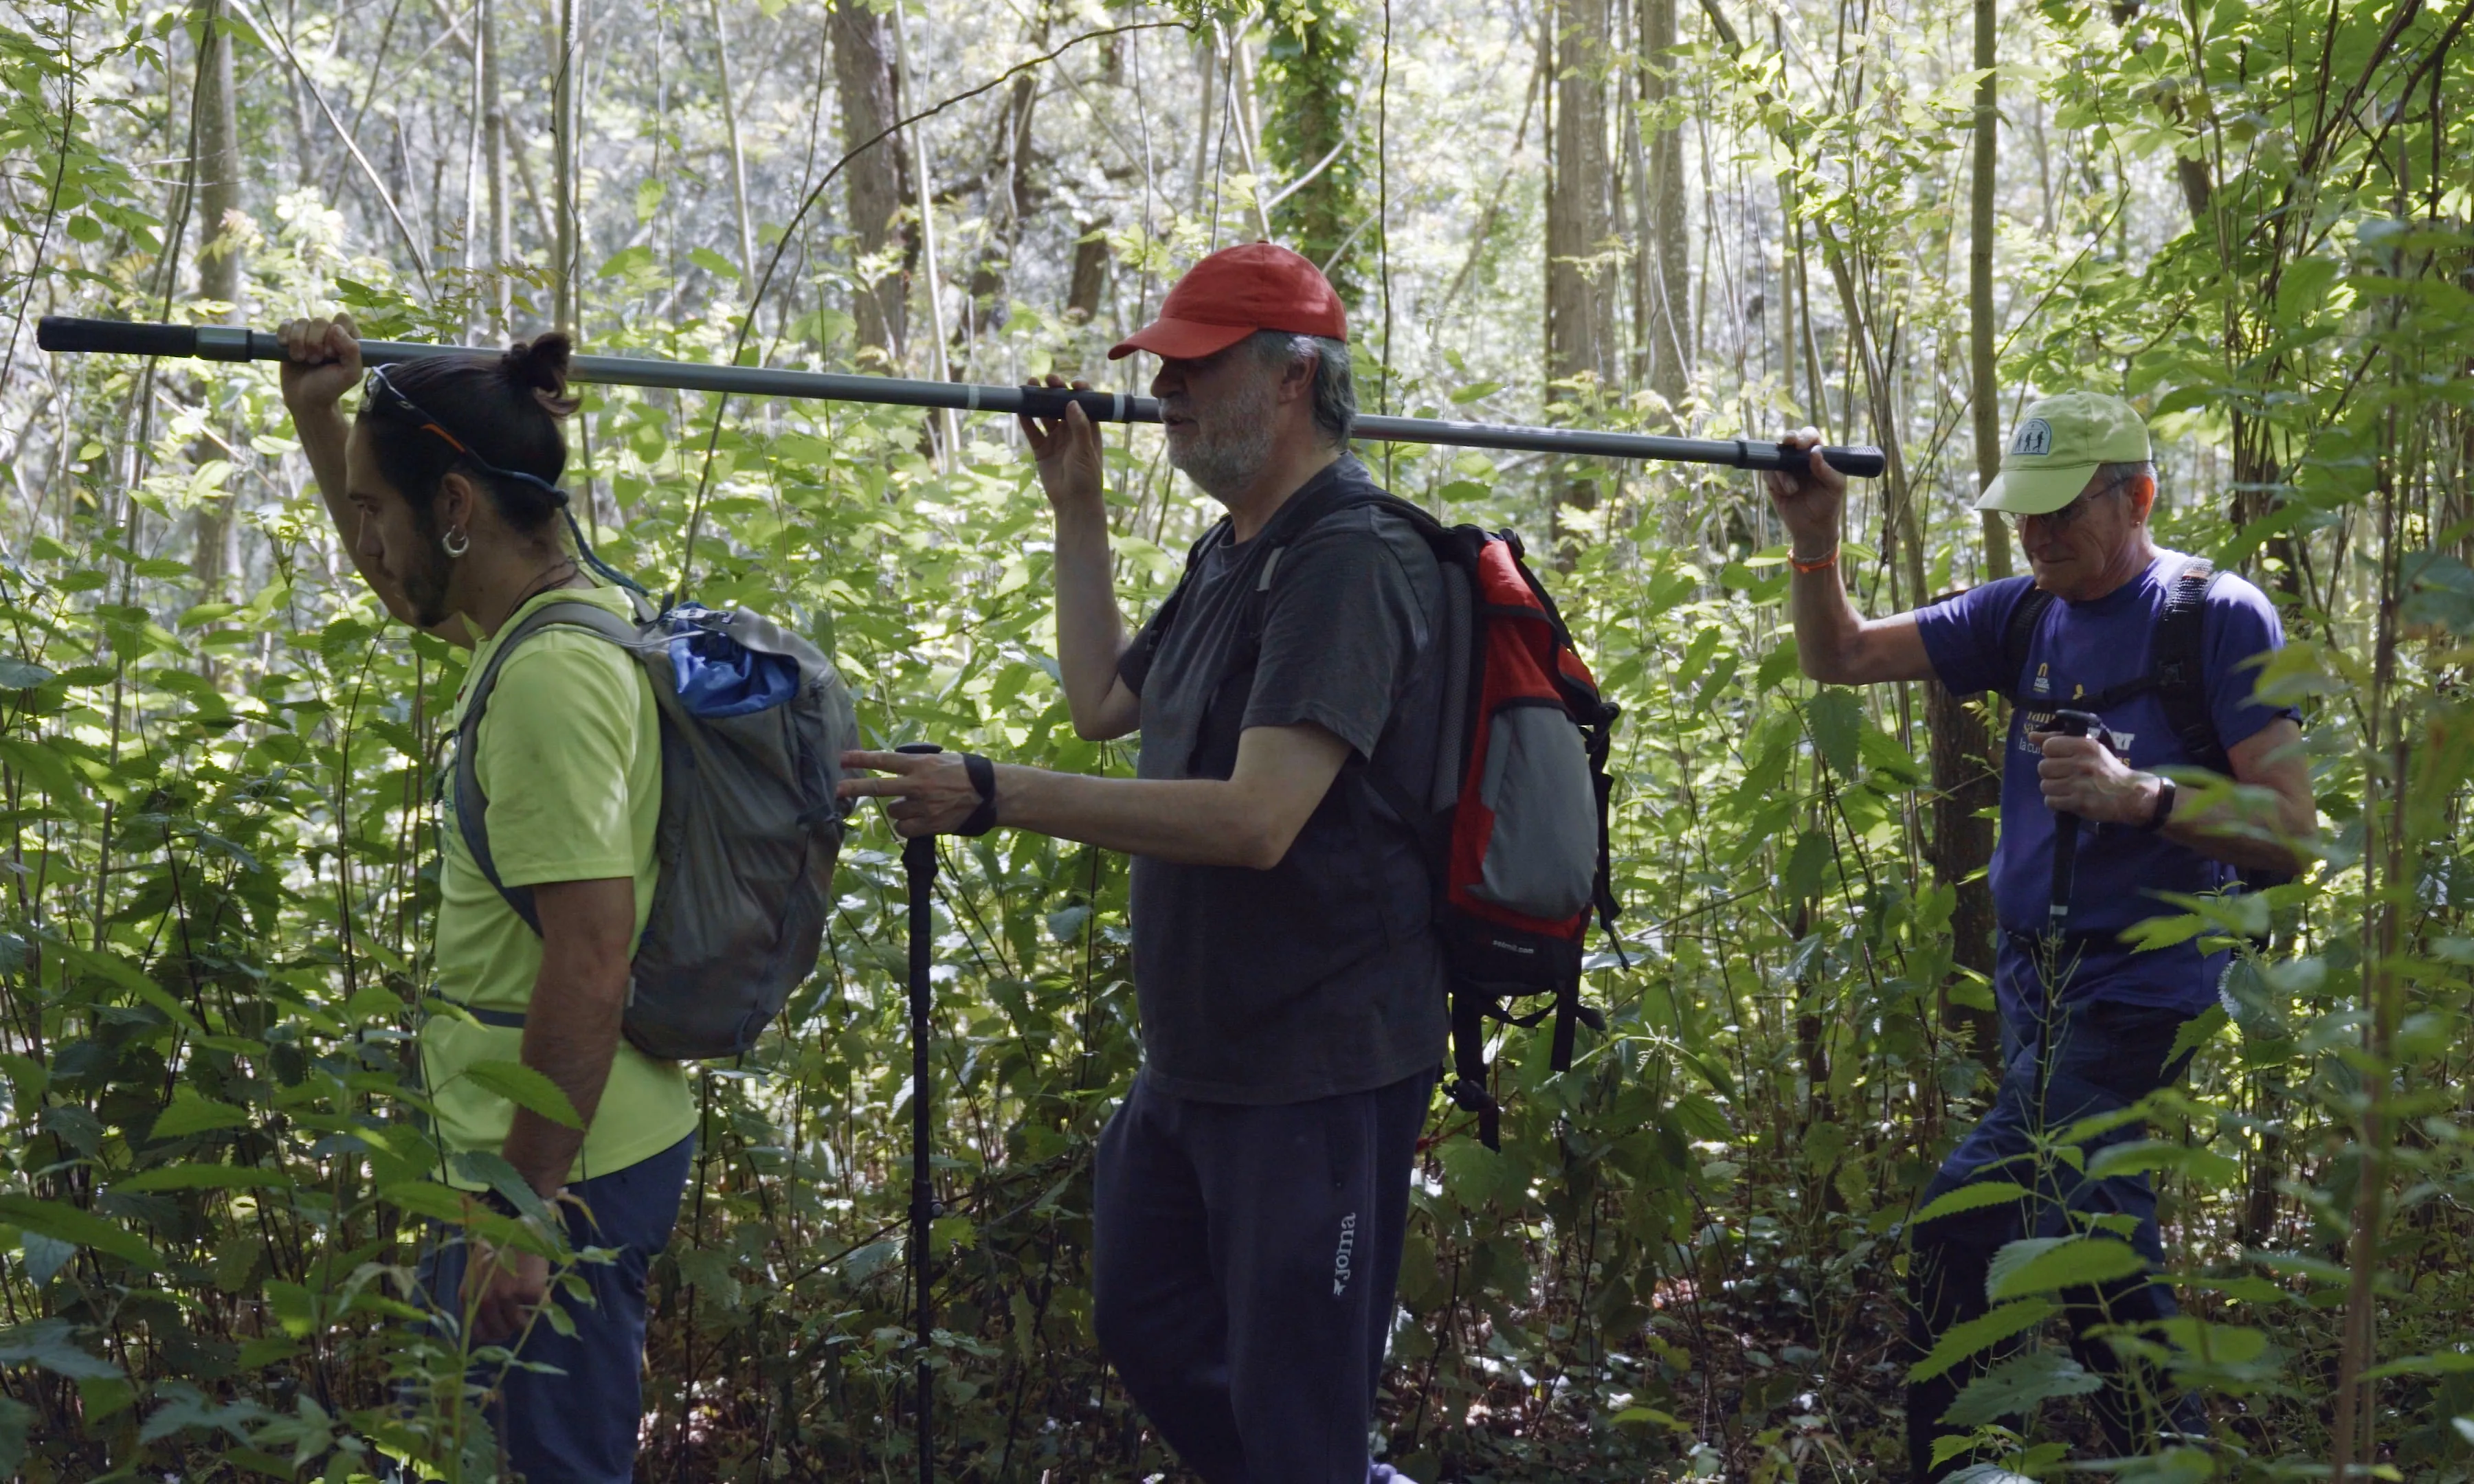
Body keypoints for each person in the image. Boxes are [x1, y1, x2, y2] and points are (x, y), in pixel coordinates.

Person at [841, 243, 1442, 1482]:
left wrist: (995, 796)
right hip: (1202, 1058)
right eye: (1158, 368)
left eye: (1190, 367)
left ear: (1288, 379)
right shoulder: (1236, 549)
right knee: (1148, 1319)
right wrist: (1078, 506)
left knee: (1296, 1405)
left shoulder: (1347, 558)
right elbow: (1102, 703)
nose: (1162, 390)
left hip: (1316, 1069)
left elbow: (1255, 821)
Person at [1762, 392, 2317, 1479]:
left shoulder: (2218, 615)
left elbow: (2292, 831)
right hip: (2036, 984)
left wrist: (2142, 797)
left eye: (2062, 510)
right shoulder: (2020, 613)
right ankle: (2168, 1456)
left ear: (2139, 495)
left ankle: (1963, 1465)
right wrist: (1815, 542)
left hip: (2144, 983)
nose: (2039, 533)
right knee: (2096, 1242)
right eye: (2025, 513)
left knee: (1961, 1222)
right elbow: (1842, 660)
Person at [280, 314, 695, 1483]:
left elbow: (590, 958)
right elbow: (408, 588)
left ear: (455, 507)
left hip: (560, 1175)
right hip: (540, 1153)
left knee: (552, 1467)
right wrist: (321, 421)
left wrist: (525, 1209)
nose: (364, 538)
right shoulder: (544, 624)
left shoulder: (549, 683)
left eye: (378, 507)